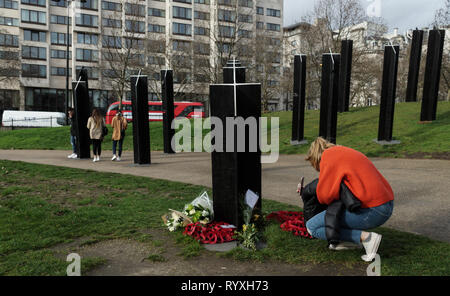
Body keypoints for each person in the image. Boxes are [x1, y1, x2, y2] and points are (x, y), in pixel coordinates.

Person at [300, 137, 394, 262]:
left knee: (312, 227)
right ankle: (354, 242)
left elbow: (325, 196)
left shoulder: (328, 157)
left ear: (315, 159)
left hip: (374, 210)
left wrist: (307, 192)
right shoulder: (343, 152)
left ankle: (366, 238)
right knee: (328, 219)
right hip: (385, 205)